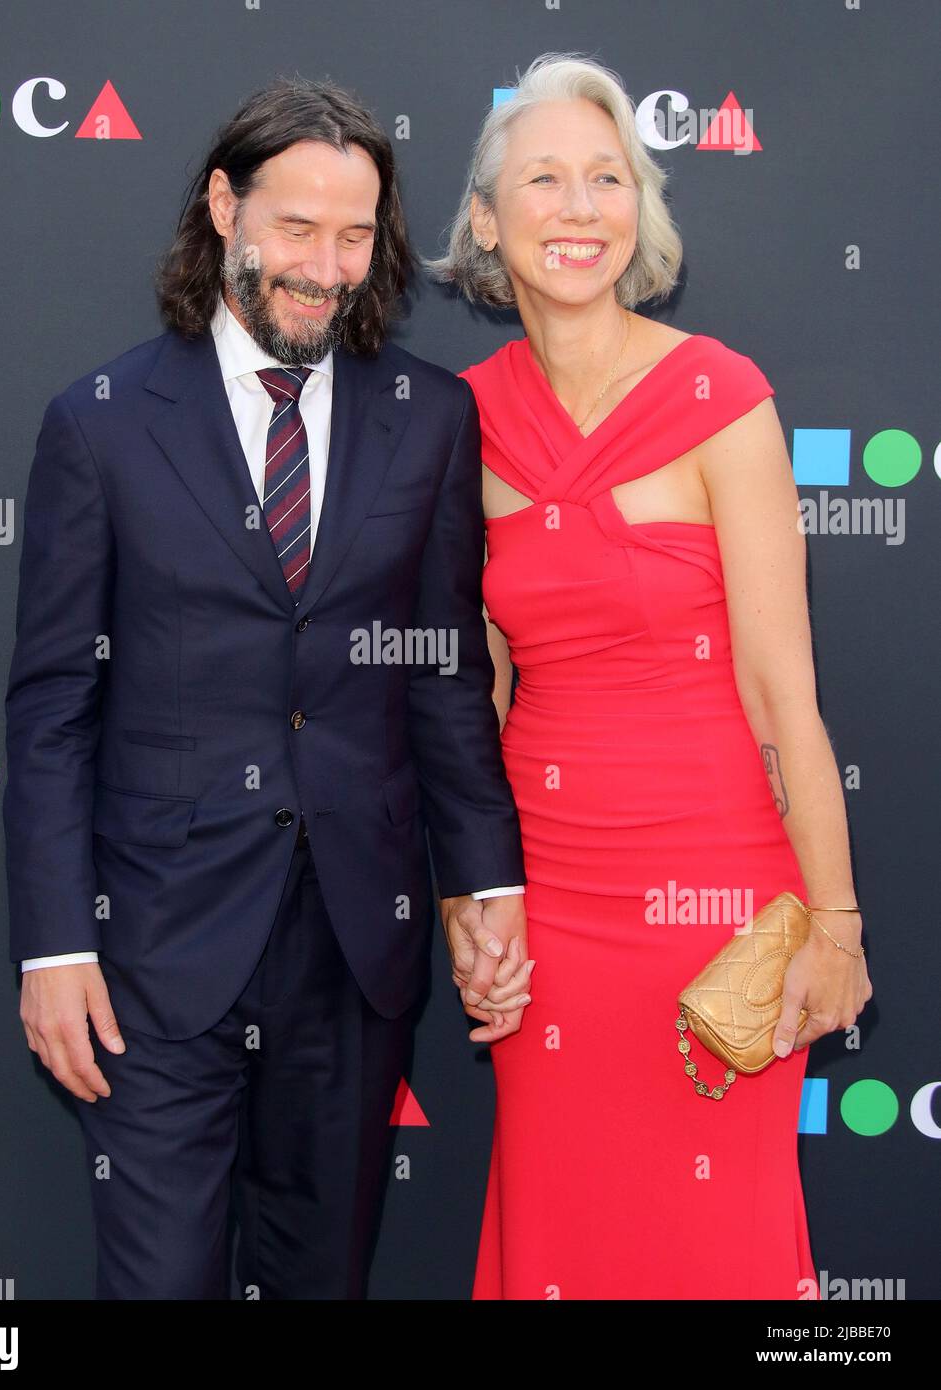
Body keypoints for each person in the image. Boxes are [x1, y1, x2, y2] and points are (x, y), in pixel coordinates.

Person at [3, 75, 531, 1301]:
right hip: (155, 953)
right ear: (225, 206)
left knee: (321, 1281)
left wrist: (486, 881)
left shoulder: (433, 419)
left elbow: (446, 675)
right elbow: (49, 713)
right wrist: (50, 947)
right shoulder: (102, 423)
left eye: (356, 237)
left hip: (356, 947)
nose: (328, 267)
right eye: (298, 228)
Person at [426, 51, 873, 1299]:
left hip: (722, 903)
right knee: (565, 1229)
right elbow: (481, 697)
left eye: (607, 179)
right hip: (551, 907)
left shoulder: (721, 398)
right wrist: (473, 903)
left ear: (641, 209)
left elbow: (787, 690)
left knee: (715, 1244)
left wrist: (835, 925)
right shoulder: (459, 423)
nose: (578, 209)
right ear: (484, 221)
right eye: (546, 180)